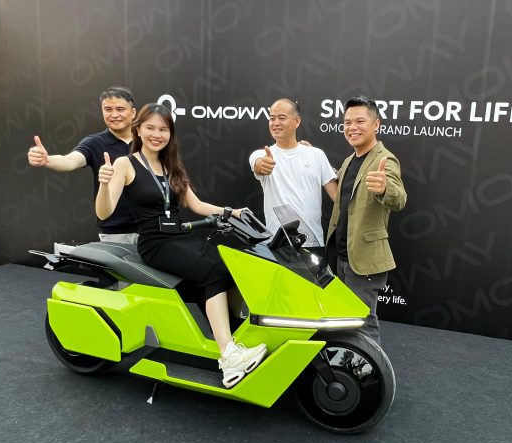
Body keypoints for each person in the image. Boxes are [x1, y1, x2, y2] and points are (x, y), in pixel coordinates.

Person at [95, 103, 266, 388]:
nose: (156, 134)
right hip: (155, 243)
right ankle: (229, 358)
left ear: (170, 134)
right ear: (138, 130)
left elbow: (195, 204)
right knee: (214, 271)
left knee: (230, 265)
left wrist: (231, 211)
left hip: (180, 237)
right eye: (150, 128)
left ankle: (235, 339)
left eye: (163, 129)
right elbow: (104, 212)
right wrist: (103, 184)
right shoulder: (125, 164)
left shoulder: (171, 166)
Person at [326, 96, 407, 345]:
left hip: (364, 260)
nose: (352, 127)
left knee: (364, 322)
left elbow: (399, 198)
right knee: (345, 320)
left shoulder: (385, 159)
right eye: (347, 122)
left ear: (376, 124)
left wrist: (384, 188)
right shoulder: (350, 160)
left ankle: (372, 369)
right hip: (342, 257)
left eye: (360, 121)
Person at [28, 86, 138, 244]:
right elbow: (71, 161)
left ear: (133, 112)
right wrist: (47, 160)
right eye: (108, 109)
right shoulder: (94, 142)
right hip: (114, 233)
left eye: (120, 109)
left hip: (150, 229)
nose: (114, 115)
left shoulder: (148, 141)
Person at [249, 98, 337, 254]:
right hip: (277, 244)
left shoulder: (316, 154)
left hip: (313, 242)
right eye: (272, 118)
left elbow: (337, 197)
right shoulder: (261, 155)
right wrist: (262, 165)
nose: (275, 123)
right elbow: (258, 165)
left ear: (297, 121)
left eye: (281, 118)